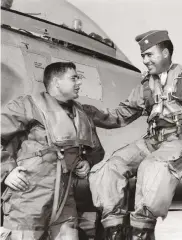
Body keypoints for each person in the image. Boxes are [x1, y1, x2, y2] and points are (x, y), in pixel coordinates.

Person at [84, 30, 182, 239]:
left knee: (152, 167)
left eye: (149, 55)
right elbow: (119, 117)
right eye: (143, 56)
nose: (145, 60)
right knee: (109, 168)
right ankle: (114, 229)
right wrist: (87, 112)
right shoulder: (146, 86)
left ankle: (142, 230)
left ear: (165, 53)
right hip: (155, 141)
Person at [1, 62, 104, 240]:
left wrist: (87, 162)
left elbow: (96, 150)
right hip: (28, 197)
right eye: (74, 78)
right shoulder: (27, 106)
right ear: (56, 82)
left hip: (65, 200)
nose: (79, 82)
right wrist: (6, 171)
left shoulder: (80, 114)